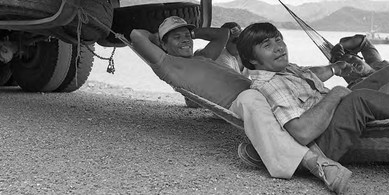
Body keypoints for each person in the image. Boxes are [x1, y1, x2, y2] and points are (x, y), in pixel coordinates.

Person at [130, 16, 352, 194]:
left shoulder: (203, 56)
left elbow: (222, 34)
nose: (185, 39)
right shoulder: (165, 63)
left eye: (187, 35)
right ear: (163, 44)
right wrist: (156, 36)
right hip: (242, 101)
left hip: (263, 89)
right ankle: (314, 162)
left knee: (294, 77)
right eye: (176, 38)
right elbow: (135, 35)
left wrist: (193, 32)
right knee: (251, 99)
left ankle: (262, 152)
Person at [236, 22, 389, 163]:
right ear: (252, 59)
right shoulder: (272, 84)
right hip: (326, 139)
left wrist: (335, 67)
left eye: (278, 40)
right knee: (361, 98)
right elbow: (302, 133)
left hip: (336, 109)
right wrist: (336, 93)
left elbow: (310, 74)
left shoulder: (286, 68)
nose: (279, 47)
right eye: (267, 45)